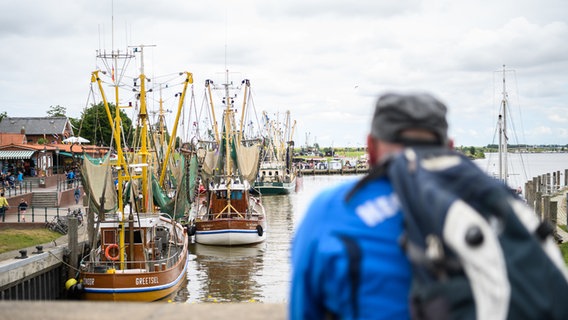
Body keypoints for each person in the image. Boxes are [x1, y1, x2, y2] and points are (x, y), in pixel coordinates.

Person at [289, 92, 451, 319]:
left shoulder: (329, 211)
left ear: (370, 148)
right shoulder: (491, 203)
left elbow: (303, 310)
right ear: (450, 148)